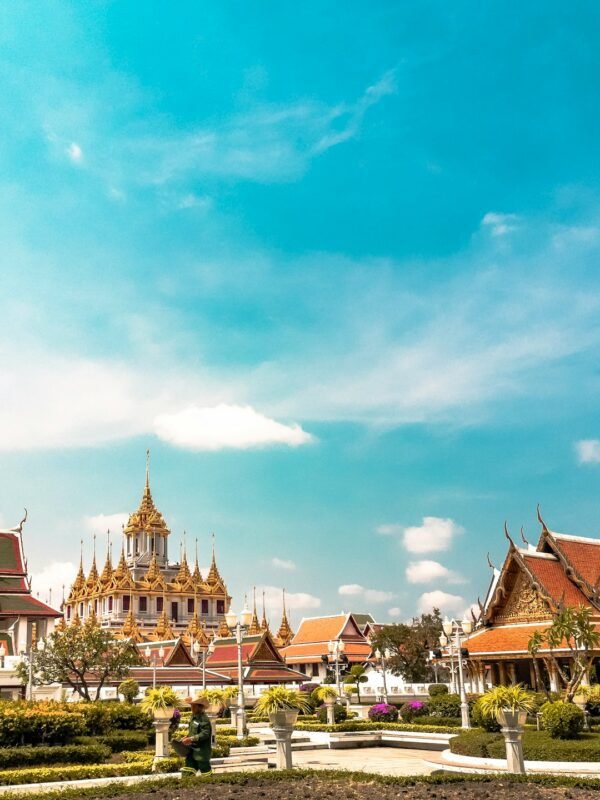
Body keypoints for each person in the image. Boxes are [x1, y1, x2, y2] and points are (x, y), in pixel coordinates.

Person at [178, 696, 213, 776]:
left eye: (194, 706)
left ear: (200, 707)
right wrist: (187, 737)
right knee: (187, 770)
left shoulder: (204, 719)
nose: (192, 708)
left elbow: (205, 733)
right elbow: (193, 732)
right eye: (191, 706)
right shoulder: (193, 717)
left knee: (206, 773)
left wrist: (191, 739)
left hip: (201, 752)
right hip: (192, 750)